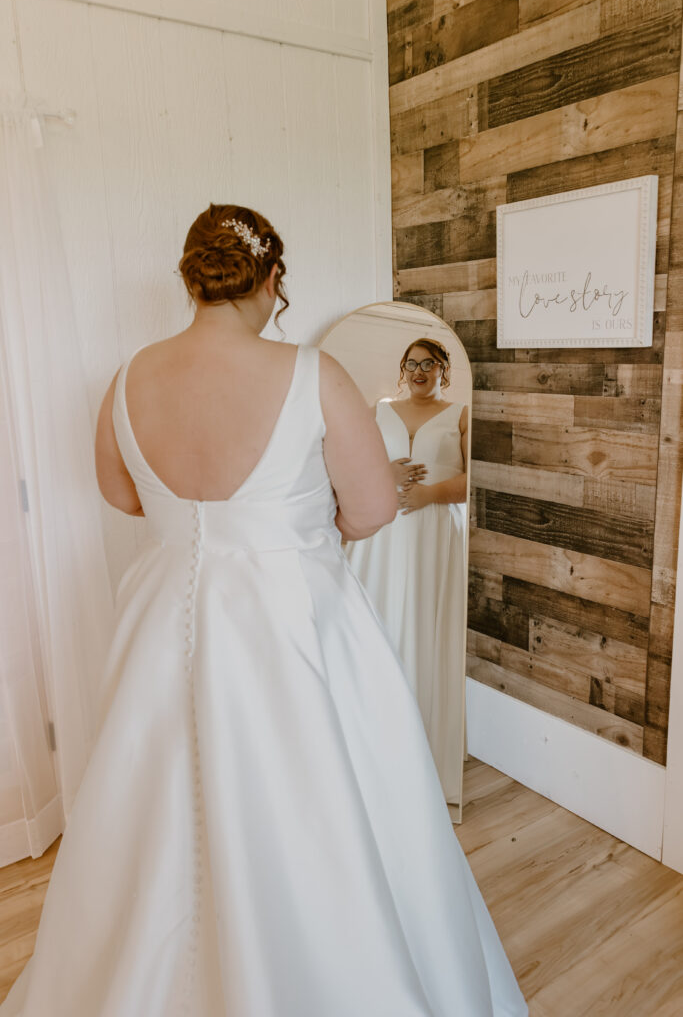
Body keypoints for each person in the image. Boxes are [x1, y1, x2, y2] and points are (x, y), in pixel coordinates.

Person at [0, 204, 527, 1017]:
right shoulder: (311, 374)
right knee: (325, 804)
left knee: (155, 806)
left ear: (190, 278)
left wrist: (197, 525)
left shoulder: (128, 375)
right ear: (271, 278)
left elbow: (119, 494)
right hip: (292, 616)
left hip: (164, 615)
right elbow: (374, 510)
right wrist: (299, 528)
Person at [345, 339, 468, 808]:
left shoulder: (460, 414)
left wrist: (428, 495)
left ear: (443, 369)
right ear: (402, 369)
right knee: (379, 624)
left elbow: (476, 477)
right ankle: (374, 746)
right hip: (384, 535)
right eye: (412, 363)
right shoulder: (379, 410)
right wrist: (384, 473)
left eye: (429, 364)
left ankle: (426, 753)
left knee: (424, 626)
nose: (420, 371)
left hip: (435, 531)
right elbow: (350, 466)